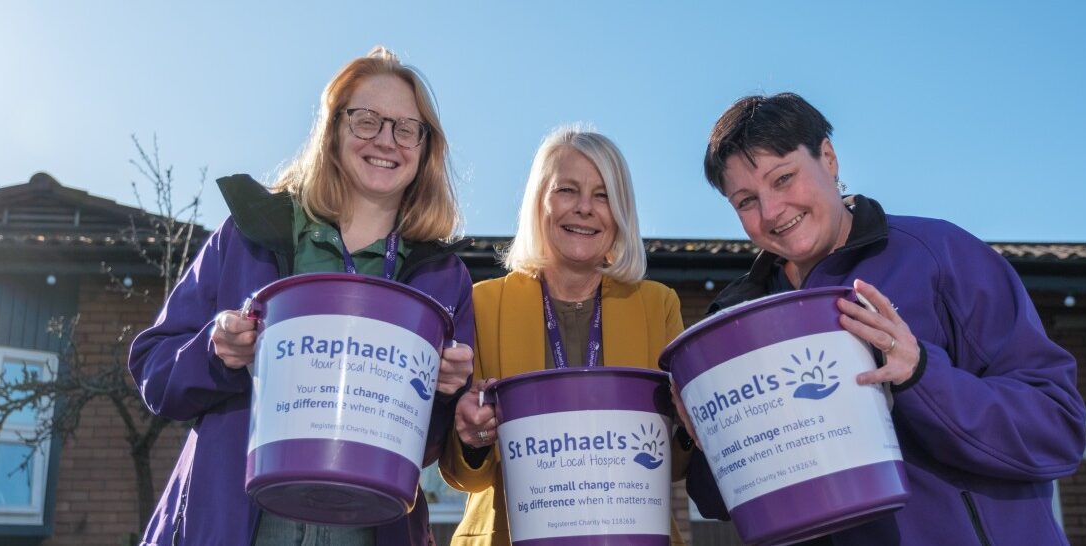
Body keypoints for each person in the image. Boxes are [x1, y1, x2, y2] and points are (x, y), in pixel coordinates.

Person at [680, 92, 1086, 545]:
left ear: (828, 158)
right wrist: (714, 441)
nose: (771, 211)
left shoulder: (937, 255)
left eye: (784, 178)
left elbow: (1058, 428)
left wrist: (921, 374)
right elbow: (717, 503)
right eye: (745, 201)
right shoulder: (735, 320)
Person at [128, 47, 474, 546]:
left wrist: (447, 391)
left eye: (406, 128)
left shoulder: (444, 277)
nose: (386, 140)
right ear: (333, 130)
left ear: (425, 148)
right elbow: (155, 370)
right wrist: (216, 352)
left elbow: (431, 446)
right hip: (227, 529)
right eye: (366, 120)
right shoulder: (250, 235)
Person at [438, 127, 693, 546]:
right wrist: (472, 438)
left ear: (621, 211)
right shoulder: (482, 305)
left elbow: (675, 466)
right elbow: (465, 474)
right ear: (539, 202)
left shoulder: (658, 305)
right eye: (567, 190)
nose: (584, 208)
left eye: (603, 195)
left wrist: (686, 425)